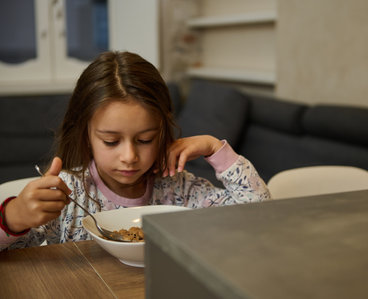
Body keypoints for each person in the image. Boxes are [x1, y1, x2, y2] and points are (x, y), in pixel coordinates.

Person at [0, 51, 271, 251]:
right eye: (110, 141)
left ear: (162, 132)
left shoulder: (179, 190)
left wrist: (215, 148)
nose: (129, 156)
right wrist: (14, 218)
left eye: (144, 140)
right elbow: (12, 253)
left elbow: (258, 217)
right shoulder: (67, 193)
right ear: (85, 134)